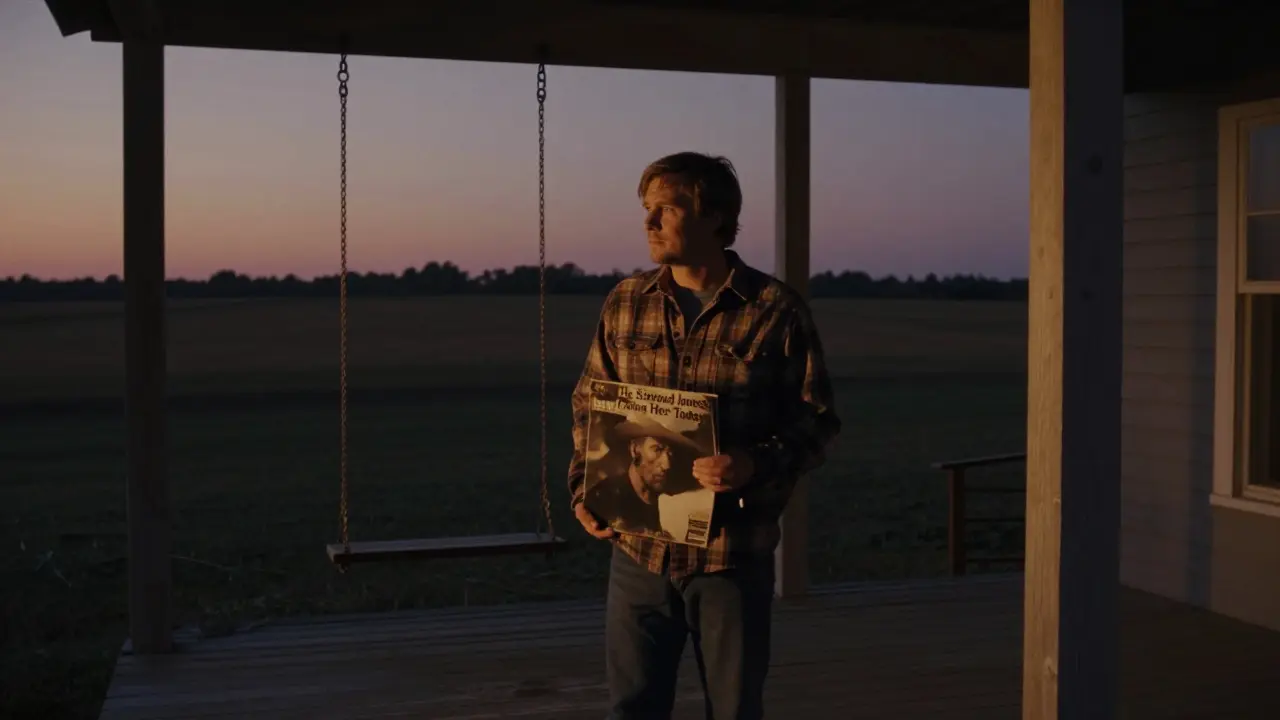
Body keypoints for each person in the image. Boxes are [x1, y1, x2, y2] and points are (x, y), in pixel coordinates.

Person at [567, 151, 841, 719]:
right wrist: (583, 489)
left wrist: (753, 463)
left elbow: (817, 422)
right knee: (634, 708)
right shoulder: (624, 303)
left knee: (735, 709)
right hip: (638, 553)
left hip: (731, 558)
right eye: (646, 210)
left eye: (665, 210)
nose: (648, 223)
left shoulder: (775, 311)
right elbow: (590, 404)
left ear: (715, 217)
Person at [585, 415, 704, 538]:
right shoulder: (606, 495)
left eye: (671, 453)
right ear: (635, 450)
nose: (667, 465)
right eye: (657, 449)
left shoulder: (663, 502)